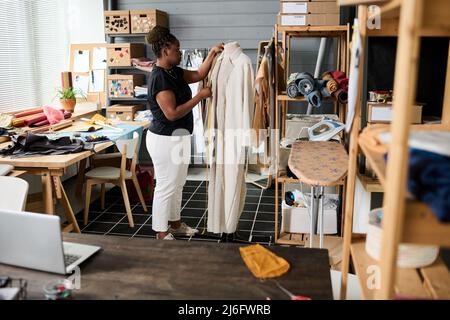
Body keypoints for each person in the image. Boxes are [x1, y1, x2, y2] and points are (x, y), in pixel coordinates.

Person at [145, 26, 223, 240]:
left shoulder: (174, 71)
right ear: (165, 50)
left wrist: (213, 52)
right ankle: (161, 232)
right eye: (177, 49)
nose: (180, 53)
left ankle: (175, 224)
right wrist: (200, 97)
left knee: (178, 183)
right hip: (164, 139)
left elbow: (199, 74)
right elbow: (171, 113)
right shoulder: (160, 77)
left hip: (178, 137)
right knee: (165, 185)